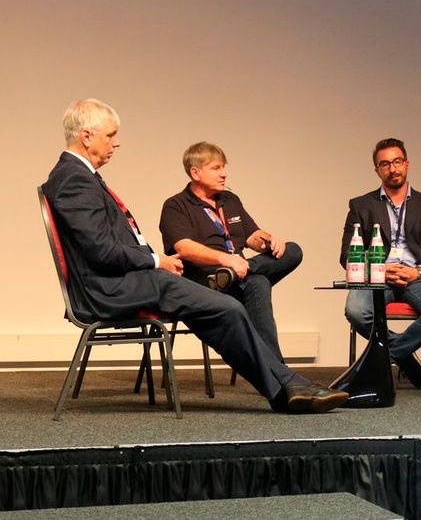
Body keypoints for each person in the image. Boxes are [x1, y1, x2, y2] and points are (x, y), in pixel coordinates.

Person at [42, 98, 347, 413]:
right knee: (227, 308)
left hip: (128, 280)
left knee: (232, 299)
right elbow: (101, 250)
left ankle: (285, 387)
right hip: (106, 290)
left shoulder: (79, 176)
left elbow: (104, 244)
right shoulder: (73, 179)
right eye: (110, 135)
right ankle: (286, 386)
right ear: (87, 136)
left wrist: (157, 263)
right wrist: (157, 261)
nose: (117, 142)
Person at [160, 142, 302, 363]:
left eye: (224, 167)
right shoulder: (176, 205)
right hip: (205, 282)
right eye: (216, 168)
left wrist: (269, 240)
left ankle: (275, 370)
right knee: (259, 282)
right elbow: (183, 247)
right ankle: (279, 370)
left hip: (238, 275)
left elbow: (252, 236)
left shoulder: (230, 200)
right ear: (195, 172)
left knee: (292, 251)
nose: (224, 174)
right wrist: (226, 259)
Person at [340, 138, 421, 389]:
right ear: (377, 170)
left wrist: (417, 271)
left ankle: (383, 358)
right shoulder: (361, 205)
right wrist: (378, 269)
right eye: (385, 164)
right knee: (357, 312)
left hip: (417, 276)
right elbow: (346, 255)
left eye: (397, 161)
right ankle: (404, 356)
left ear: (407, 164)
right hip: (378, 276)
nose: (392, 169)